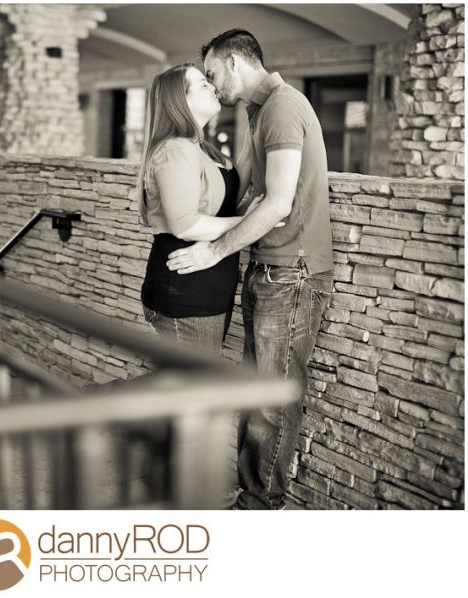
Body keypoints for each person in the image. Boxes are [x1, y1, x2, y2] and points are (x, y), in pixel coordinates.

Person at [167, 29, 334, 510]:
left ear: (236, 62)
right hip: (269, 268)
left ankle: (261, 506)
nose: (212, 83)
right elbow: (248, 192)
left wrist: (214, 251)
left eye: (213, 73)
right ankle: (250, 496)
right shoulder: (259, 111)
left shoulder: (282, 107)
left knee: (270, 398)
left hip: (292, 272)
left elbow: (278, 203)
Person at [136, 63, 265, 507]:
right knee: (194, 393)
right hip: (184, 286)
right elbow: (185, 224)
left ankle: (170, 482)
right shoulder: (175, 149)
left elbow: (232, 191)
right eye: (201, 84)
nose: (212, 88)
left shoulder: (204, 148)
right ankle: (189, 496)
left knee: (186, 388)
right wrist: (250, 223)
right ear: (179, 99)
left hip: (207, 285)